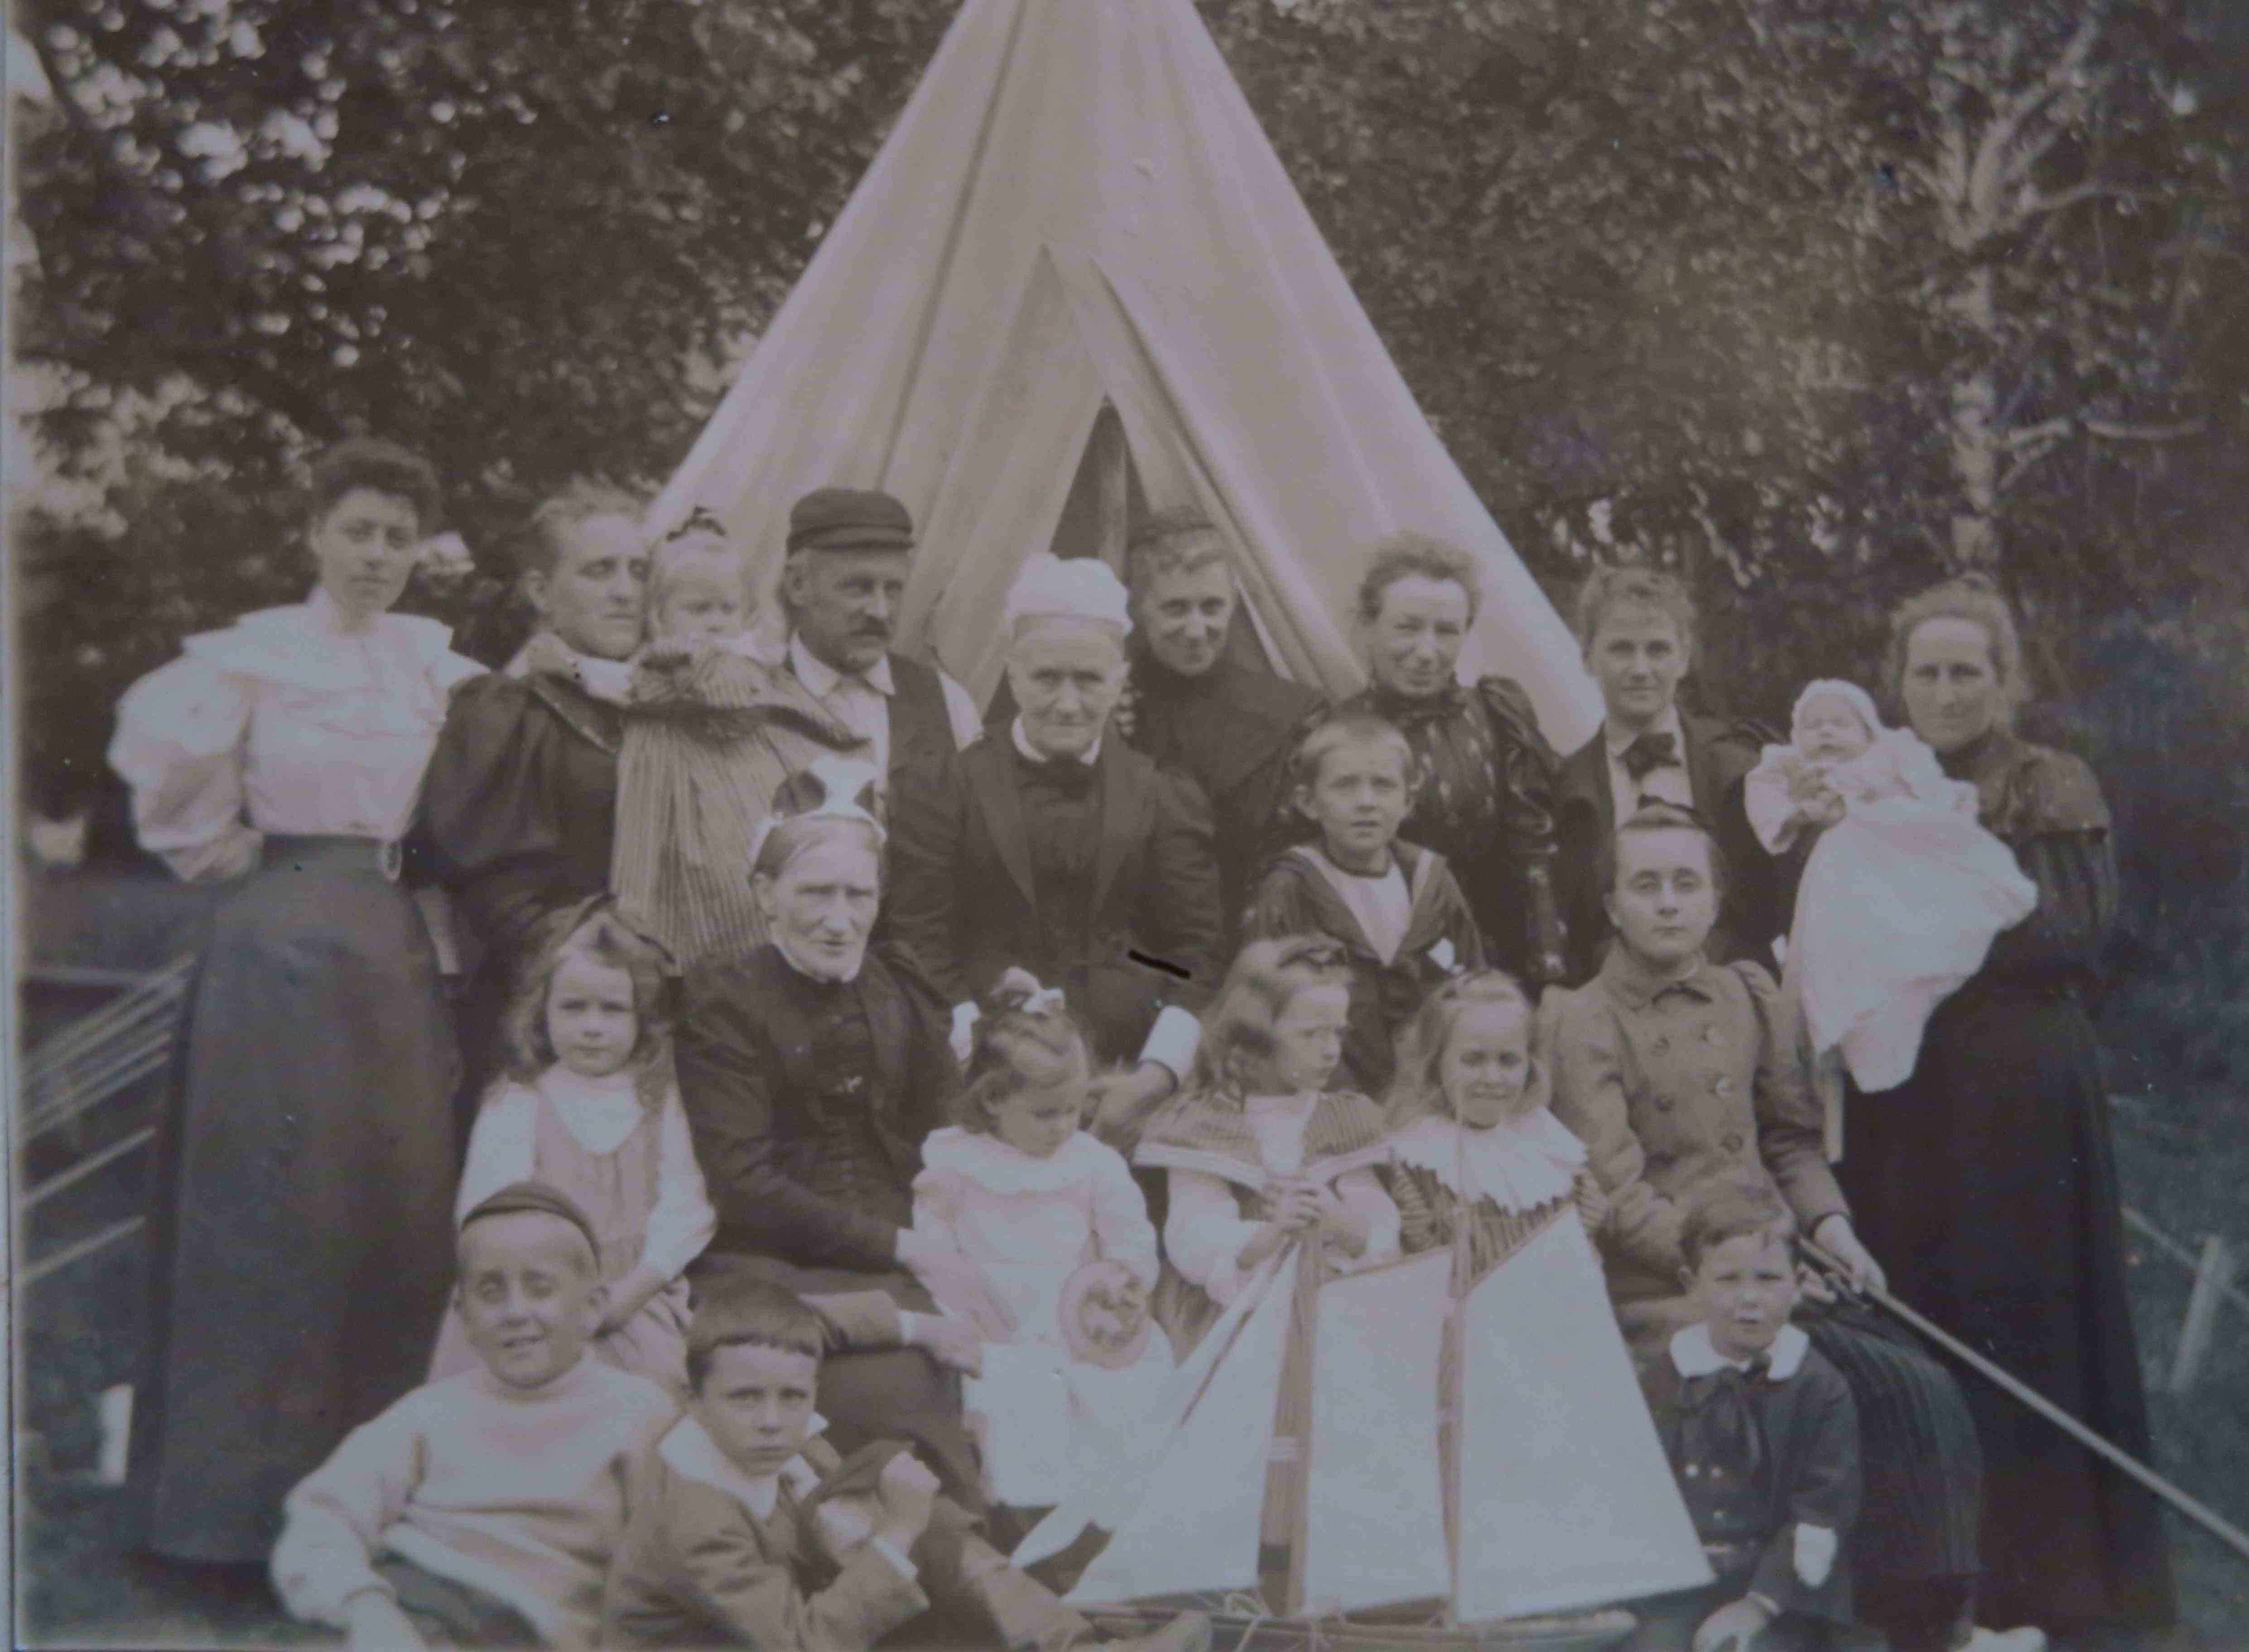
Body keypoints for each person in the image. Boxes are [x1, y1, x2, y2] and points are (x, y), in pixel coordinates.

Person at [107, 437, 480, 1565]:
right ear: (313, 532)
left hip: (394, 945)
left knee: (390, 1210)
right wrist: (263, 880)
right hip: (276, 948)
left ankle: (367, 1515)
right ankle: (227, 1520)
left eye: (397, 536)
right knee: (269, 1219)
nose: (377, 555)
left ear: (422, 550)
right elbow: (186, 820)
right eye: (357, 530)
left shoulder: (439, 670)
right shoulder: (251, 663)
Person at [1545, 805, 1999, 1652]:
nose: (1669, 903)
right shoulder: (1582, 1017)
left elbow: (1789, 1140)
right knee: (1830, 1385)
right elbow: (1620, 1188)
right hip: (1668, 1285)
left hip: (1775, 1263)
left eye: (1688, 882)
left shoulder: (1748, 993)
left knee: (1918, 1383)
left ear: (1717, 897)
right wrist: (1735, 1268)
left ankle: (1931, 1625)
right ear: (1610, 904)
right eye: (1646, 885)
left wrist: (1831, 1230)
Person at [1835, 575, 2174, 1634]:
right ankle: (1930, 1595)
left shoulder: (2048, 783)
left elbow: (2065, 936)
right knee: (1917, 1322)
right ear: (1897, 683)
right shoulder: (1873, 783)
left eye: (1965, 671)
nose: (1945, 691)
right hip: (1905, 1091)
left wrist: (1918, 917)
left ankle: (2048, 1588)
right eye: (1925, 672)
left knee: (2027, 1324)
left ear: (2003, 682)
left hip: (2021, 1091)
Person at [673, 759, 1003, 1508]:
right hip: (766, 1264)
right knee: (890, 1389)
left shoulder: (902, 988)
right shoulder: (724, 1000)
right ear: (765, 895)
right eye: (815, 893)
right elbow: (744, 1184)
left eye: (859, 895)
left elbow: (945, 1135)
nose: (838, 917)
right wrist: (906, 1248)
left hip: (904, 1253)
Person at [600, 1282, 1212, 1652]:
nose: (771, 1421)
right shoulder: (698, 1508)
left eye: (793, 1397)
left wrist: (917, 1325)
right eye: (744, 1399)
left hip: (791, 1607)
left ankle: (1072, 1645)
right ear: (695, 1397)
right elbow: (804, 1644)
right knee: (907, 1524)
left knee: (920, 1514)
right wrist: (894, 1531)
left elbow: (814, 1319)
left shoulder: (760, 1357)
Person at [890, 552, 1222, 1155]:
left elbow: (1192, 954)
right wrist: (986, 1060)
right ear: (1012, 674)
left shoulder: (1162, 793)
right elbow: (920, 942)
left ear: (1120, 678)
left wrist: (1153, 1078)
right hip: (983, 1080)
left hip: (1129, 1082)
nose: (1067, 703)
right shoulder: (943, 787)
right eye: (1046, 678)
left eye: (1089, 680)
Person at [270, 1184, 679, 1651]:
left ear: (592, 1307)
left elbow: (673, 1564)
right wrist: (366, 1607)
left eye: (540, 1287)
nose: (516, 1312)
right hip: (414, 1608)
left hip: (539, 1631)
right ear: (464, 1316)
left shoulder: (640, 1415)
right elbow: (322, 1517)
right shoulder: (428, 1413)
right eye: (491, 1291)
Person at [422, 482, 652, 1105]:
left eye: (638, 570)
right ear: (542, 592)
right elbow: (494, 887)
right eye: (600, 571)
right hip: (548, 1008)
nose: (626, 591)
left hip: (661, 1010)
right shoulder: (505, 710)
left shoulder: (664, 707)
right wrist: (599, 963)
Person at [911, 975, 1172, 1516]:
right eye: (1045, 1113)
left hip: (1080, 1314)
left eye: (1073, 1110)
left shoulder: (1090, 1162)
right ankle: (1032, 1517)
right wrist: (958, 1313)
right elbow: (935, 1253)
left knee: (1127, 1385)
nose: (1062, 1128)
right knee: (1013, 1392)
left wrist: (1119, 1288)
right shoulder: (956, 1163)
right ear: (993, 1101)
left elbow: (1131, 1240)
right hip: (993, 1316)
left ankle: (1114, 1514)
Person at [429, 903, 714, 1397]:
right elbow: (484, 1214)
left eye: (612, 1010)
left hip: (632, 1296)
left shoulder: (659, 1098)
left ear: (642, 1019)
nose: (592, 1027)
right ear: (542, 1013)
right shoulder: (519, 1100)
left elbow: (687, 1208)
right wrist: (542, 1301)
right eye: (574, 1007)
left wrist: (632, 1291)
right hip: (529, 1296)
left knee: (651, 1402)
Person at [1265, 533, 1566, 986]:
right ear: (1368, 627)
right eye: (1407, 628)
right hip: (1372, 975)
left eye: (1446, 631)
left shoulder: (1497, 717)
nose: (1427, 652)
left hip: (1495, 968)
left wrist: (1549, 976)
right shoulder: (1331, 737)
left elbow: (1534, 858)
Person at [1743, 678, 2034, 1095]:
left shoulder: (1888, 757)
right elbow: (1765, 796)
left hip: (1891, 856)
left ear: (1868, 733)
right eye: (1813, 725)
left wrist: (1904, 796)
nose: (1825, 732)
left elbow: (1929, 792)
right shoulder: (1791, 768)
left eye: (1840, 724)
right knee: (1840, 960)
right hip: (1836, 884)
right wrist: (1798, 812)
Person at [611, 513, 865, 968]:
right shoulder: (674, 666)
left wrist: (836, 734)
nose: (714, 623)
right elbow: (705, 688)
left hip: (746, 777)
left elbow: (796, 712)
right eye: (698, 609)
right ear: (659, 615)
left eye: (726, 610)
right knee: (668, 879)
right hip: (673, 760)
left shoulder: (755, 668)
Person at [1622, 1181, 1859, 1652]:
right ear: (1693, 1286)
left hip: (1777, 1589)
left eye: (1769, 1279)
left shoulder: (1818, 1387)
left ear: (1797, 1285)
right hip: (1678, 1587)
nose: (1748, 1299)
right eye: (1728, 1280)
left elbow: (1822, 1510)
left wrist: (1758, 1605)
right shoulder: (1663, 1376)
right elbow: (1634, 1490)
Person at [1110, 511, 1327, 951]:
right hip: (1142, 955)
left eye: (1211, 607)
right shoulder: (1109, 709)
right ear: (1138, 610)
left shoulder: (1291, 713)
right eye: (1174, 608)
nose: (1196, 630)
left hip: (1263, 944)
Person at [1553, 566, 1781, 984]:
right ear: (1587, 657)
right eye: (1621, 649)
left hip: (1732, 999)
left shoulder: (1743, 769)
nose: (1640, 669)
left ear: (1684, 657)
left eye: (1657, 650)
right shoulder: (1562, 789)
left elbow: (1777, 907)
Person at [1242, 713, 1484, 1095]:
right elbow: (1264, 1009)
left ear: (1407, 800)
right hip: (1327, 1093)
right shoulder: (1291, 888)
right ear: (1308, 802)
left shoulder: (1431, 882)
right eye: (1345, 786)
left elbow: (1473, 984)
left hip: (1431, 1091)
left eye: (1383, 786)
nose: (1366, 803)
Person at [768, 486, 982, 806]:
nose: (880, 611)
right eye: (859, 588)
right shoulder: (752, 700)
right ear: (798, 586)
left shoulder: (947, 702)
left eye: (893, 589)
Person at [1384, 970, 1605, 1280]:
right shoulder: (1414, 1159)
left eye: (1508, 1061)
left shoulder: (1550, 1148)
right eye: (1473, 1060)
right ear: (1435, 1063)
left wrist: (1585, 1235)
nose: (1492, 1079)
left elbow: (1581, 1270)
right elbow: (1413, 1277)